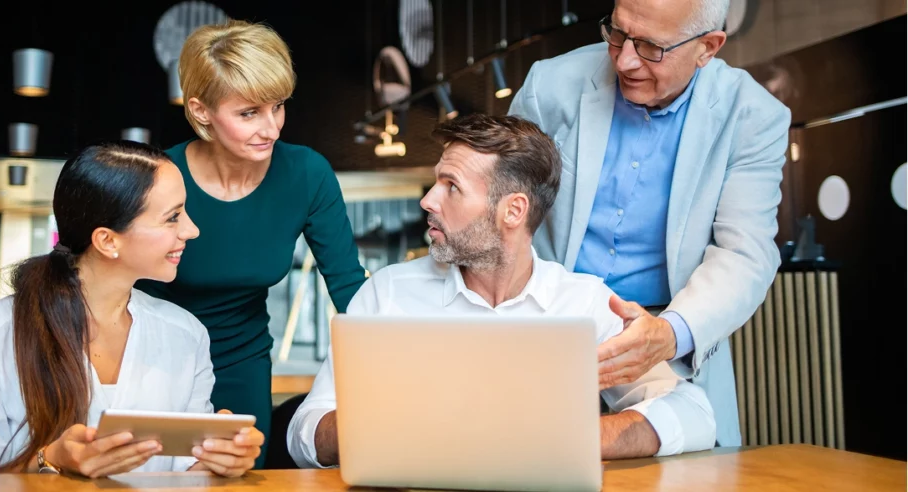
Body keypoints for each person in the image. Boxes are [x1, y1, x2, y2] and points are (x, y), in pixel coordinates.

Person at [287, 114, 716, 468]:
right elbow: (304, 432)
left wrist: (578, 439)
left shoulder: (587, 303)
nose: (429, 200)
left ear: (513, 210)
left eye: (452, 186)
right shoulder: (387, 295)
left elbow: (695, 414)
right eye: (437, 182)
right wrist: (391, 429)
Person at [507, 0, 790, 446]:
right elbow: (506, 207)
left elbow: (744, 253)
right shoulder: (551, 86)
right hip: (549, 333)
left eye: (651, 47)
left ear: (708, 47)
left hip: (666, 337)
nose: (624, 59)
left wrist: (668, 334)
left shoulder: (753, 118)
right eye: (617, 33)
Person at [0, 141, 263, 477]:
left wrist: (220, 460)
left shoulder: (185, 334)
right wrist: (50, 459)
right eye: (172, 218)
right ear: (108, 240)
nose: (191, 230)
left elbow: (183, 469)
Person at [135, 20, 367, 468]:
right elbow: (126, 289)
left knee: (238, 478)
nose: (272, 128)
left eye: (278, 107)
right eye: (249, 113)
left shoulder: (307, 174)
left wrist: (402, 362)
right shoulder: (161, 177)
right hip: (154, 358)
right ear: (201, 110)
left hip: (242, 361)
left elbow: (349, 288)